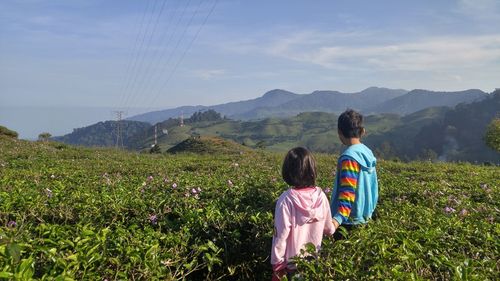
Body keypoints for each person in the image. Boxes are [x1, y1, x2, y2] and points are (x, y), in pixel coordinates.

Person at [271, 147, 335, 280]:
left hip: (293, 264)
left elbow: (280, 237)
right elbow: (329, 229)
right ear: (312, 170)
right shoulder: (321, 195)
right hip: (314, 261)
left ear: (288, 172)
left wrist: (277, 266)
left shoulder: (286, 199)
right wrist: (338, 220)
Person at [330, 109, 378, 239]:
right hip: (366, 216)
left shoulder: (349, 158)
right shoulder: (367, 152)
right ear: (362, 131)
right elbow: (374, 187)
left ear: (339, 132)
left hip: (348, 221)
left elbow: (348, 191)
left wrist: (337, 219)